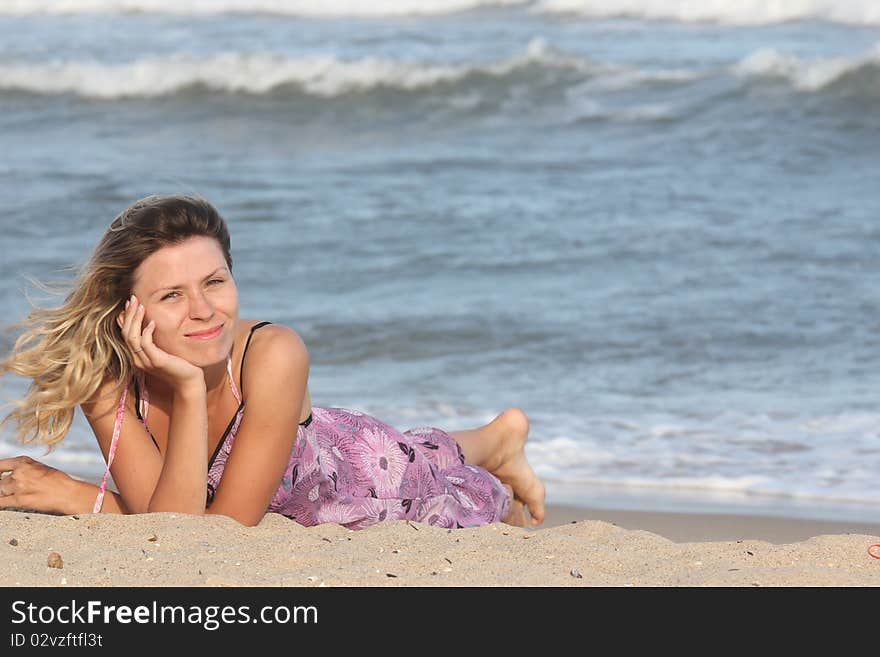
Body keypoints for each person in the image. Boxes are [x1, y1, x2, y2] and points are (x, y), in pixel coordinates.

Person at [0, 195, 545, 529]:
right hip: (312, 448)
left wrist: (77, 495)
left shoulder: (274, 353)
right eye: (172, 296)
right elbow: (168, 521)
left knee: (458, 485)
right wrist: (189, 389)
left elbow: (220, 528)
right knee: (424, 446)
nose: (205, 311)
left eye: (215, 281)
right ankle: (495, 439)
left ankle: (497, 442)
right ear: (130, 312)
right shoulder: (109, 381)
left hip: (366, 477)